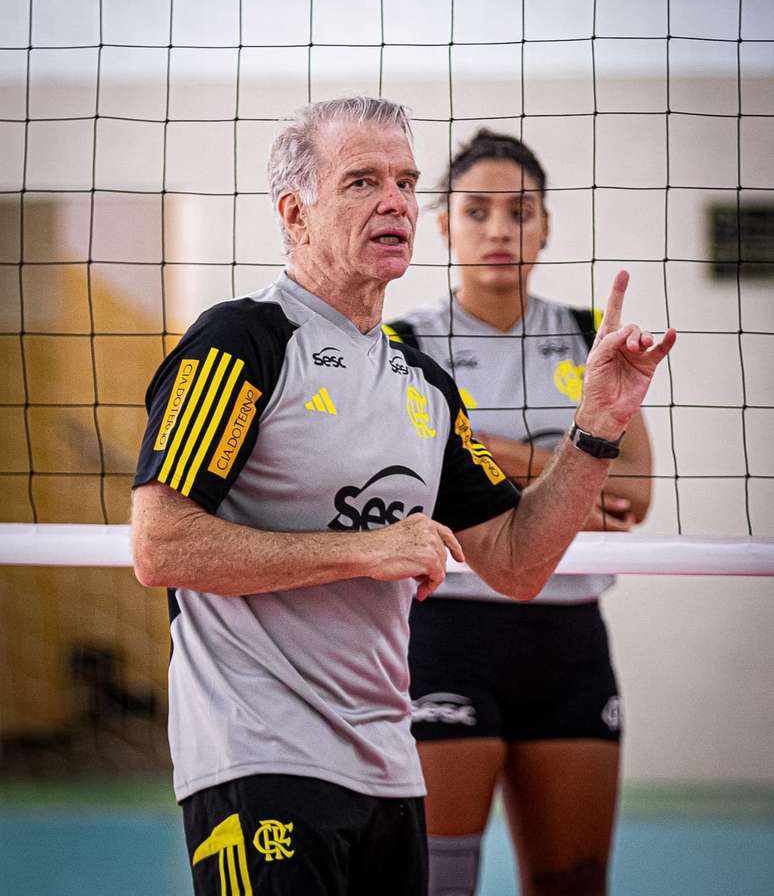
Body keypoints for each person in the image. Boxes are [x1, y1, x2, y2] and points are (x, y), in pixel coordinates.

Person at [131, 97, 675, 896]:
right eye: (361, 181)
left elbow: (519, 562)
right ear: (295, 213)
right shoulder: (241, 340)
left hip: (388, 771)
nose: (394, 201)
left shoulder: (423, 386)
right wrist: (367, 547)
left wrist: (595, 429)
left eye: (404, 182)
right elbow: (160, 546)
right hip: (261, 759)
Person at [385, 129, 653, 896]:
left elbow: (633, 497)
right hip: (447, 631)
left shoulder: (587, 337)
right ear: (443, 226)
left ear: (546, 225)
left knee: (574, 880)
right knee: (437, 882)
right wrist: (579, 468)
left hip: (569, 637)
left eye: (520, 210)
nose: (500, 229)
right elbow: (422, 494)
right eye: (477, 211)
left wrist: (487, 447)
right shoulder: (405, 344)